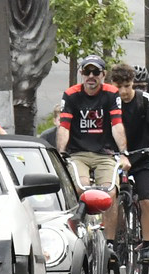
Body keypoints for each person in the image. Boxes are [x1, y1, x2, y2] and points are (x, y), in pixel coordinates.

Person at [56, 55, 131, 235]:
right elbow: (64, 127)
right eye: (87, 71)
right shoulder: (71, 94)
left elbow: (117, 125)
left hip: (105, 154)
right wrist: (61, 153)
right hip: (78, 154)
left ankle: (110, 242)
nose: (91, 76)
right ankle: (81, 233)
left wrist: (123, 153)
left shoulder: (111, 93)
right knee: (80, 189)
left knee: (109, 193)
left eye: (96, 72)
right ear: (81, 73)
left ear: (103, 75)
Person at [109, 65, 149, 263]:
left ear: (133, 83)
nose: (123, 91)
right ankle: (113, 242)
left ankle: (147, 246)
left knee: (146, 199)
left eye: (127, 85)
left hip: (143, 156)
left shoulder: (144, 99)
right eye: (118, 86)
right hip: (117, 157)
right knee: (112, 197)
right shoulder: (108, 101)